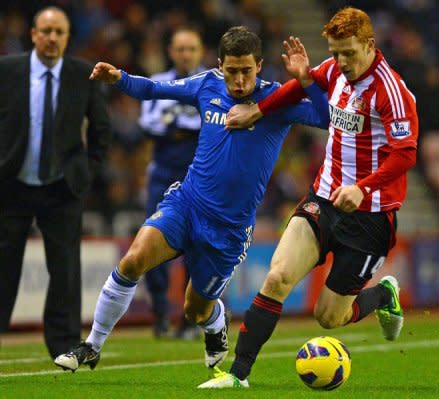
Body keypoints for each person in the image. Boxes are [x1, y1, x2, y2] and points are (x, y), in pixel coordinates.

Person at [54, 26, 329, 373]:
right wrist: (119, 78)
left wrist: (304, 79)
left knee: (194, 310)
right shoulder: (208, 84)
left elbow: (326, 117)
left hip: (228, 229)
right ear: (219, 65)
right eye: (232, 71)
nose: (239, 80)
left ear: (259, 65)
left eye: (247, 70)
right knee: (133, 260)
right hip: (187, 203)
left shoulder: (278, 102)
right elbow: (155, 88)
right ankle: (92, 345)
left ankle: (215, 323)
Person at [199, 6, 419, 388]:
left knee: (329, 317)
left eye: (348, 52)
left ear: (369, 44)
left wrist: (363, 187)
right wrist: (259, 110)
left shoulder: (391, 91)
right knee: (278, 277)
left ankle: (383, 295)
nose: (340, 61)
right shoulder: (334, 70)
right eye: (335, 52)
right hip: (324, 198)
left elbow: (405, 153)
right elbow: (301, 84)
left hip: (370, 217)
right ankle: (237, 376)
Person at [0, 6, 111, 360]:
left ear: (67, 37)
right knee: (3, 266)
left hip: (62, 187)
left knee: (64, 270)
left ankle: (64, 345)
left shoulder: (83, 75)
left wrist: (87, 172)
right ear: (33, 34)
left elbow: (101, 130)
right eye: (45, 31)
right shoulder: (6, 71)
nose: (51, 38)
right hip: (11, 184)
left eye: (58, 32)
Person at [139, 27, 205, 340]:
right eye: (180, 48)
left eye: (191, 48)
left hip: (197, 176)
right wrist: (188, 127)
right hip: (163, 173)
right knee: (153, 241)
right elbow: (148, 125)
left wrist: (175, 126)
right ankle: (161, 312)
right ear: (170, 51)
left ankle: (190, 318)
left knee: (197, 243)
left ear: (200, 51)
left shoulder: (210, 82)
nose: (185, 54)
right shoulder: (158, 82)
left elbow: (213, 125)